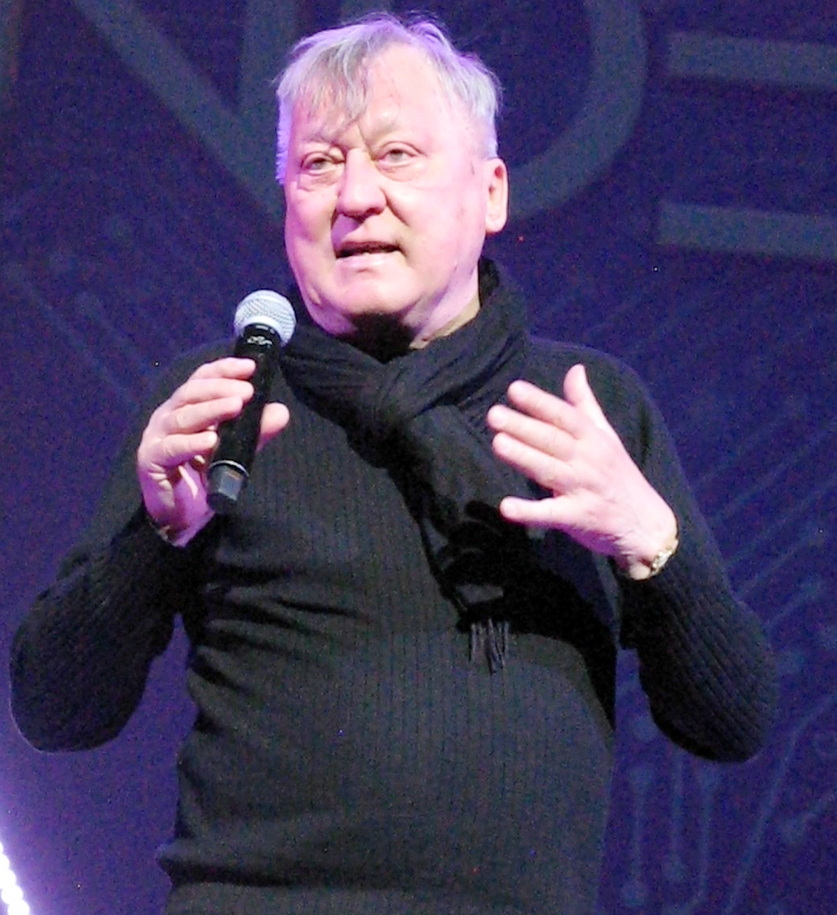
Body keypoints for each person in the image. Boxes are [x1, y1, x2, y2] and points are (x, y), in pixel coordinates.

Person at [10, 13, 777, 915]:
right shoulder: (221, 405)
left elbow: (732, 720)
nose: (355, 196)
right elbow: (55, 710)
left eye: (397, 155)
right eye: (318, 164)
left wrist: (649, 543)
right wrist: (155, 537)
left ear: (489, 192)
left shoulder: (585, 408)